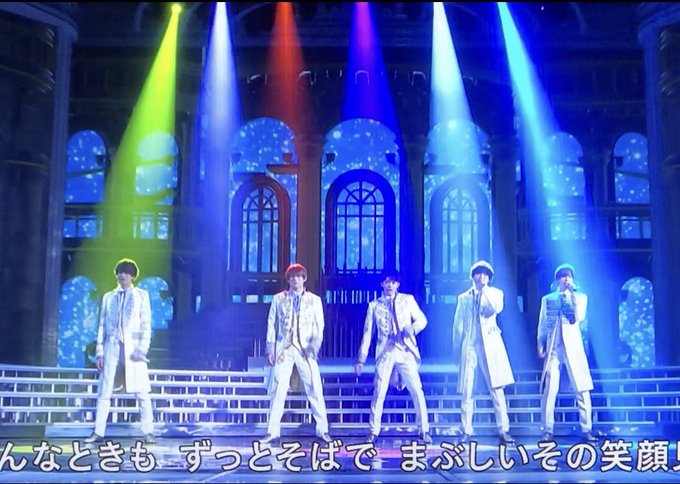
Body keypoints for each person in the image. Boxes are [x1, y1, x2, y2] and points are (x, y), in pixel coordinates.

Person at [355, 271, 432, 444]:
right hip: (385, 352)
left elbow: (422, 320)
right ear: (382, 284)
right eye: (387, 282)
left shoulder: (408, 300)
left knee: (416, 390)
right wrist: (361, 359)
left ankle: (424, 429)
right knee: (379, 391)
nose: (390, 285)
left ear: (398, 284)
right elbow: (368, 333)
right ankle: (374, 431)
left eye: (393, 282)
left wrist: (412, 329)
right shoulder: (374, 305)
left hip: (405, 350)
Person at [260, 263, 332, 445]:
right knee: (278, 390)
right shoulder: (279, 299)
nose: (295, 280)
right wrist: (270, 348)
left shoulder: (314, 300)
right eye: (292, 277)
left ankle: (322, 430)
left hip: (305, 350)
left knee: (314, 388)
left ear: (304, 278)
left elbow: (319, 326)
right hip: (284, 349)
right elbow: (271, 323)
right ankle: (272, 431)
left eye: (298, 276)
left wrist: (314, 347)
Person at [85, 258, 155, 444]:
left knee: (142, 393)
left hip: (133, 350)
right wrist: (100, 353)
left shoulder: (141, 295)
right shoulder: (108, 297)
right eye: (119, 272)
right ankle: (98, 432)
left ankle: (148, 431)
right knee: (104, 391)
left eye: (126, 272)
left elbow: (146, 324)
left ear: (132, 276)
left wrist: (142, 348)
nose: (122, 275)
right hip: (112, 348)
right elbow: (101, 325)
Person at [452, 260, 515, 445]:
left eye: (486, 274)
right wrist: (456, 348)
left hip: (490, 345)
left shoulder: (495, 293)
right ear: (473, 276)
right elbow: (458, 324)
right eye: (479, 273)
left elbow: (496, 308)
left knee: (496, 389)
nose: (482, 277)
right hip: (469, 345)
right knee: (467, 390)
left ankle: (504, 430)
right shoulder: (463, 298)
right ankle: (466, 430)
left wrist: (484, 291)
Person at [537, 263, 598, 442]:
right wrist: (540, 344)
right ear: (557, 280)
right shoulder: (548, 299)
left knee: (581, 388)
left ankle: (587, 428)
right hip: (554, 348)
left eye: (569, 276)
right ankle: (547, 429)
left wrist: (571, 296)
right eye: (563, 276)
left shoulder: (580, 297)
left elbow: (578, 317)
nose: (566, 279)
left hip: (573, 348)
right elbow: (543, 324)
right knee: (550, 389)